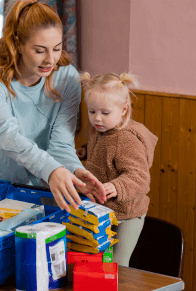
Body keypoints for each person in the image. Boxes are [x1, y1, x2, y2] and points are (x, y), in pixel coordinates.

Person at [0, 0, 106, 213]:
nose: (50, 60)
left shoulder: (68, 78)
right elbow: (6, 134)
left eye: (57, 48)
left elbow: (60, 145)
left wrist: (76, 173)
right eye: (39, 50)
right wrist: (52, 170)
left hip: (45, 187)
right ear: (18, 45)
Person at [76, 72, 158, 266]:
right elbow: (103, 153)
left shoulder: (125, 139)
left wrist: (117, 186)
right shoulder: (101, 130)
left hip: (127, 215)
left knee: (118, 265)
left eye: (105, 113)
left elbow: (139, 177)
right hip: (105, 210)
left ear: (123, 110)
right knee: (101, 260)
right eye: (92, 111)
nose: (97, 118)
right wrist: (84, 151)